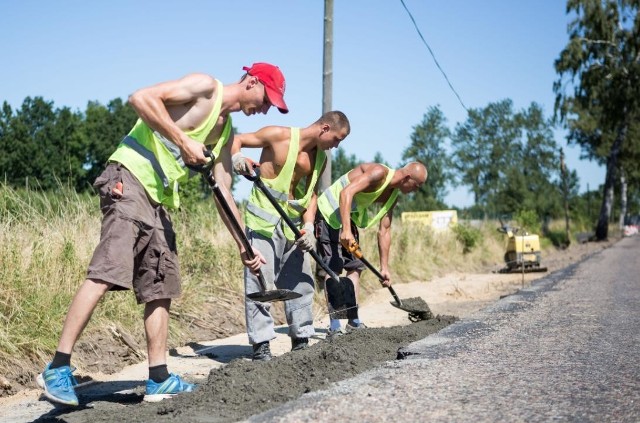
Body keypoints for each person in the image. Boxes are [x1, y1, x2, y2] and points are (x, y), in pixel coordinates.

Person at [38, 62, 288, 405]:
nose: (265, 109)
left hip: (159, 199)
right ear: (251, 82)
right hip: (128, 179)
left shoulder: (225, 133)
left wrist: (243, 245)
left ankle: (159, 378)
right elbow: (140, 98)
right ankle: (57, 367)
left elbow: (224, 191)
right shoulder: (205, 88)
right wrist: (184, 140)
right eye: (267, 98)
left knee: (160, 284)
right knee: (107, 271)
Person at [231, 111, 351, 361]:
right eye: (337, 139)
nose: (336, 146)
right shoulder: (278, 135)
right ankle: (261, 344)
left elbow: (313, 195)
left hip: (293, 227)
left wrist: (308, 226)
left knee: (302, 282)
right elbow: (237, 139)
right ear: (325, 128)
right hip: (263, 223)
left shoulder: (321, 159)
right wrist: (237, 157)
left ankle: (301, 338)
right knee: (260, 283)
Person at [315, 161, 428, 337]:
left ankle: (353, 321)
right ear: (407, 178)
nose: (416, 190)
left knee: (355, 266)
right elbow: (346, 193)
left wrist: (384, 268)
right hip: (328, 213)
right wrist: (346, 230)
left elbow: (385, 230)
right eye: (417, 185)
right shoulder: (378, 173)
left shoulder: (393, 196)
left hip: (346, 217)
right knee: (334, 266)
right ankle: (335, 325)